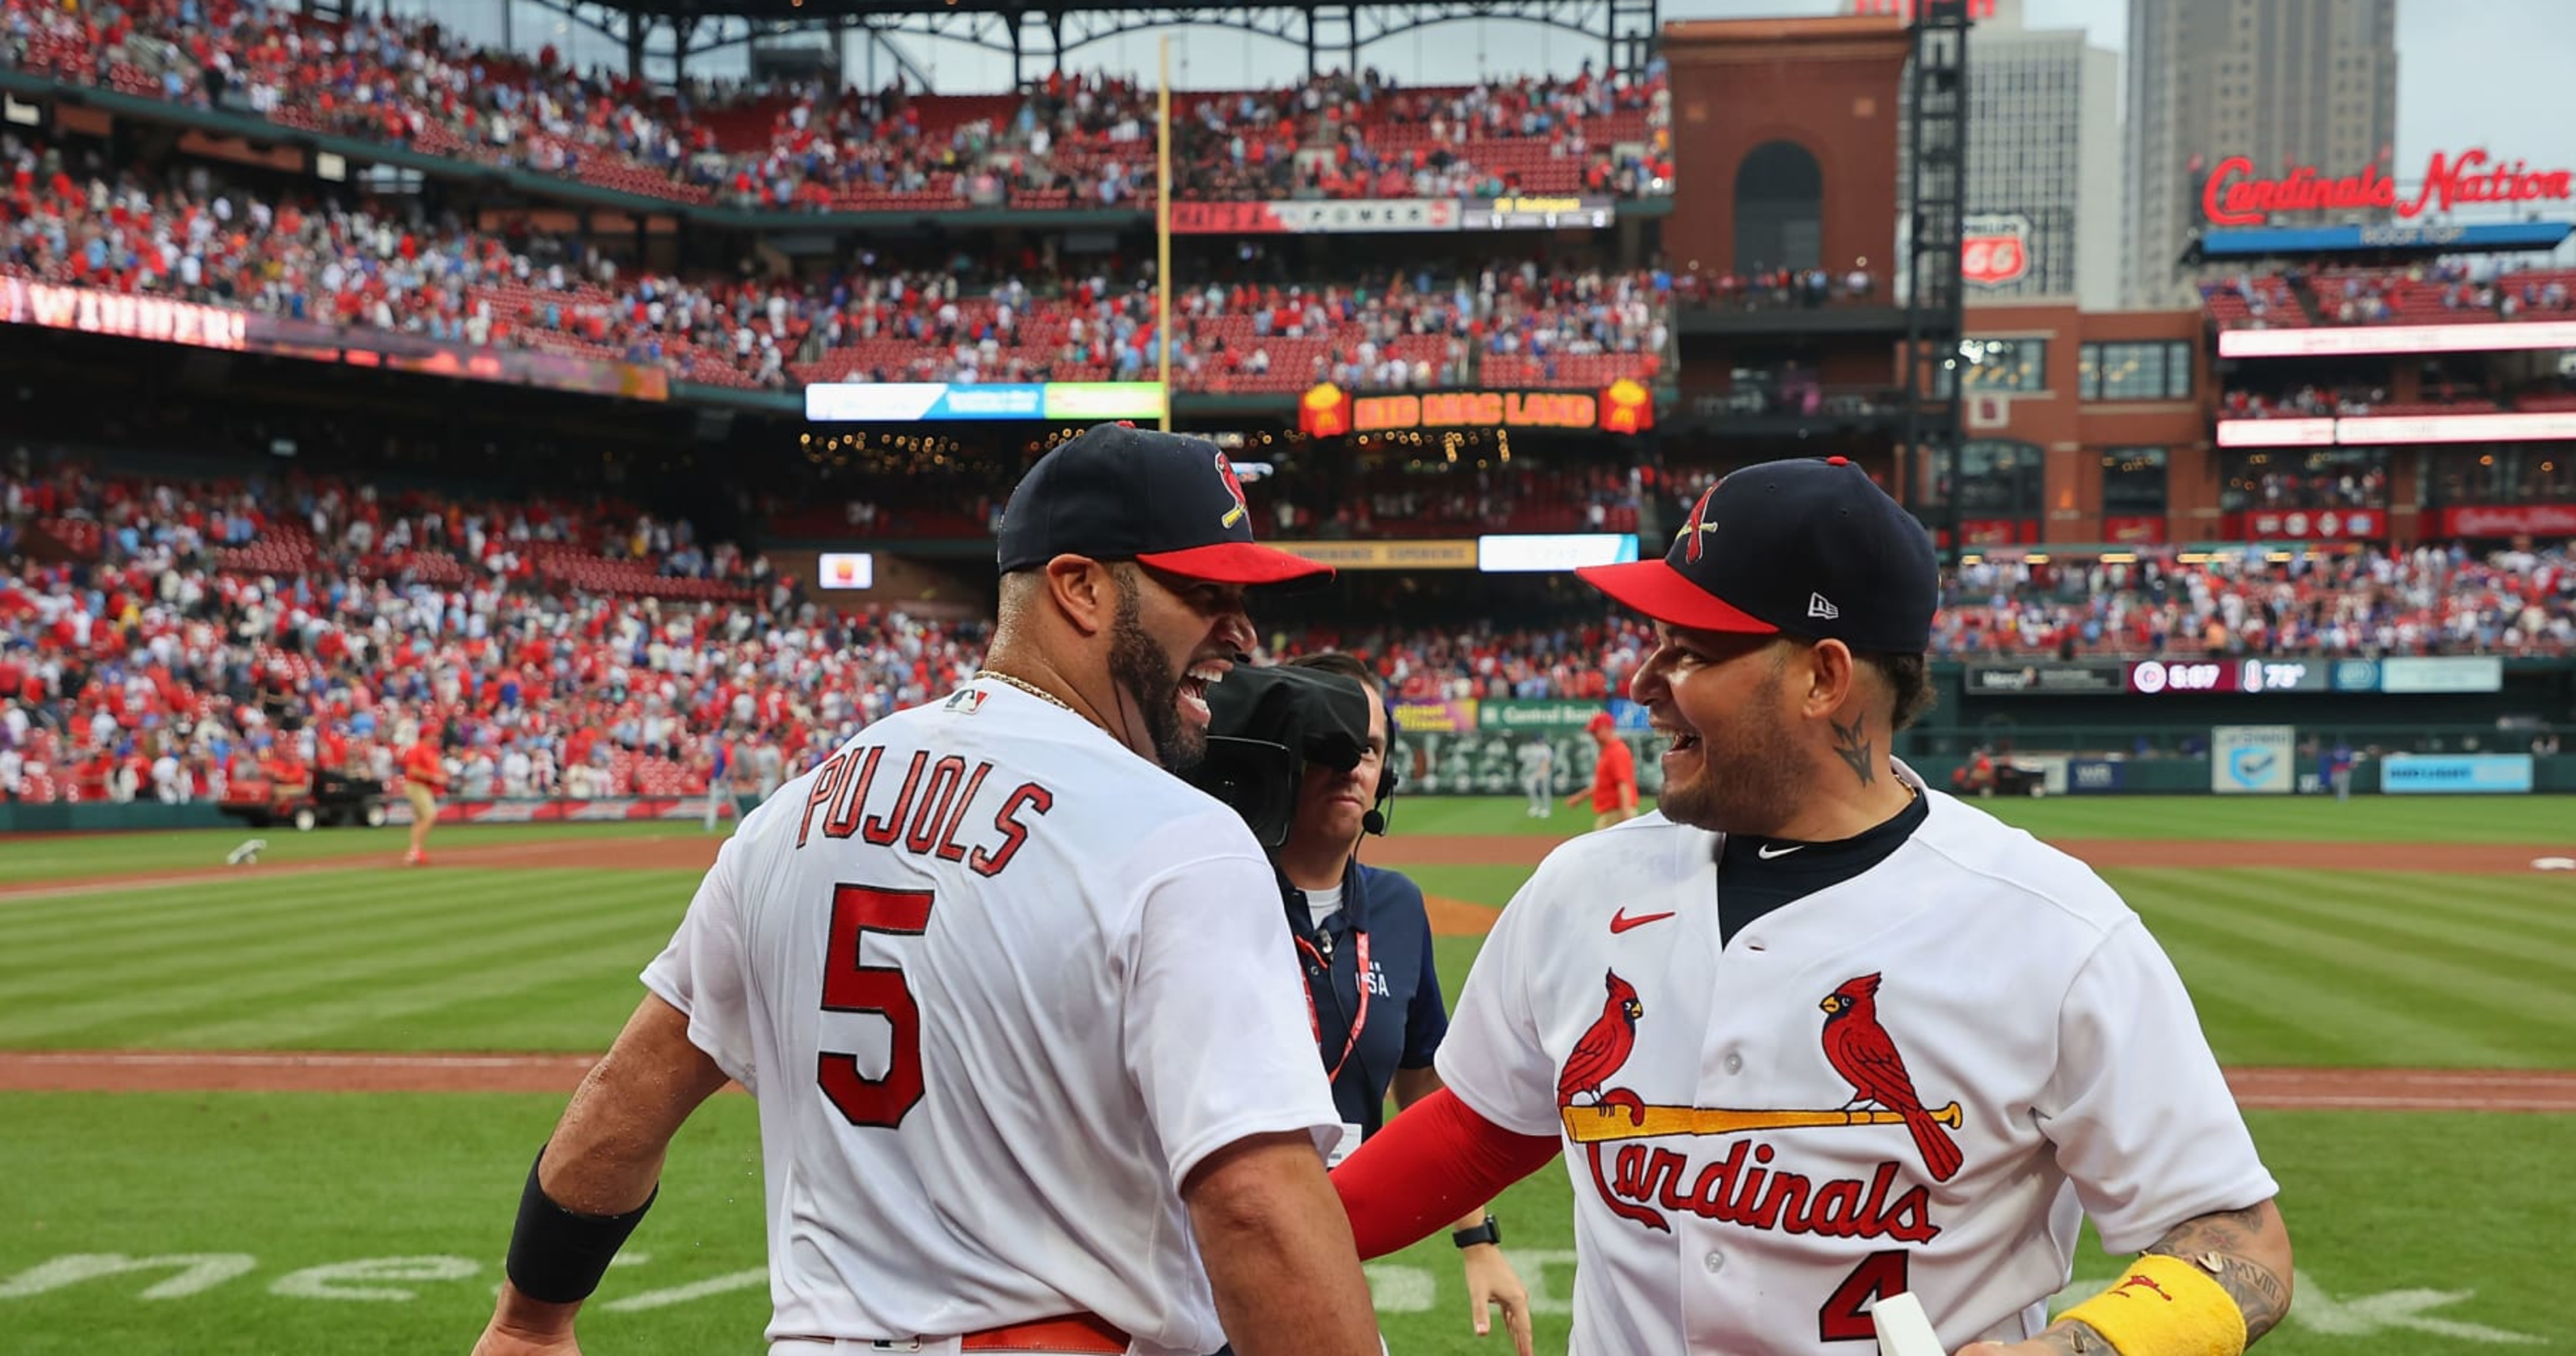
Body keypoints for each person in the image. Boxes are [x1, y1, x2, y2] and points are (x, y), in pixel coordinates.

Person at [1329, 456, 2293, 1355]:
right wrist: (1258, 1236)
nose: (1642, 687)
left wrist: (2078, 1351)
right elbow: (1478, 1129)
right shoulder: (1582, 888)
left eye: (1690, 653)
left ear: (1824, 678)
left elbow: (2241, 1242)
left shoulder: (2052, 930)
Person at [469, 424, 1385, 1356]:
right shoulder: (1177, 841)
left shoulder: (797, 813)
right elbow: (1257, 1210)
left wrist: (530, 1319)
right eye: (1204, 591)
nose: (1242, 631)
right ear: (1078, 587)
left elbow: (633, 1090)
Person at [1193, 655, 1535, 1356]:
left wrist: (1475, 1236)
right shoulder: (1202, 894)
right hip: (1189, 1271)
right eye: (1331, 741)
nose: (1352, 763)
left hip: (1331, 1254)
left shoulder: (1400, 907)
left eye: (1370, 747)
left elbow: (1422, 1083)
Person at [1565, 710, 1638, 828]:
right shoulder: (1608, 752)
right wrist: (1580, 797)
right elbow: (1603, 785)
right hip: (1612, 814)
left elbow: (1623, 785)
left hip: (1617, 814)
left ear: (1606, 729)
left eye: (1594, 732)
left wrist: (1627, 818)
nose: (1593, 736)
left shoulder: (1617, 752)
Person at [401, 723, 447, 866]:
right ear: (426, 735)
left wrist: (442, 776)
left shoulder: (431, 751)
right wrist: (434, 777)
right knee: (430, 815)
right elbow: (413, 770)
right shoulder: (417, 749)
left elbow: (437, 770)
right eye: (434, 734)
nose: (436, 737)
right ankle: (415, 851)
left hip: (424, 787)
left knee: (420, 819)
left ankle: (415, 851)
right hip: (415, 785)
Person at [1520, 733, 1556, 818]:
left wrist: (1542, 772)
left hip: (1545, 771)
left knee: (1545, 790)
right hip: (1533, 772)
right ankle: (1535, 806)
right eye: (1538, 739)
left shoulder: (1546, 749)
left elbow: (1547, 762)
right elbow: (1528, 760)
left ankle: (1547, 809)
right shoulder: (1532, 748)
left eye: (1541, 739)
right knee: (1530, 788)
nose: (1540, 741)